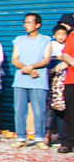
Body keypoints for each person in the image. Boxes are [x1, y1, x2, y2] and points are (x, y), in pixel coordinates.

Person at [10, 13, 51, 147]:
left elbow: (46, 59)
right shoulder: (19, 40)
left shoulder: (46, 40)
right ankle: (21, 138)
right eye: (25, 22)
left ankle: (40, 138)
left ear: (37, 25)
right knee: (20, 109)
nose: (26, 25)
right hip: (21, 79)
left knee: (39, 110)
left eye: (29, 22)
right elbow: (14, 59)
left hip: (38, 79)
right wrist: (27, 69)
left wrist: (32, 67)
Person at [51, 21, 71, 150]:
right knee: (64, 110)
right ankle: (65, 140)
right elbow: (63, 55)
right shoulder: (53, 44)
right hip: (64, 80)